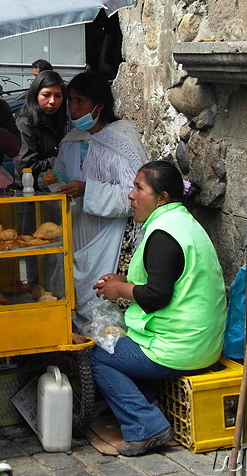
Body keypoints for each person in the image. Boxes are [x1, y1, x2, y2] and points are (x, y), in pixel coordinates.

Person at [90, 160, 227, 457]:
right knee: (122, 344)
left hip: (181, 347)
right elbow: (168, 277)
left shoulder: (163, 233)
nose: (131, 195)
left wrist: (120, 290)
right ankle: (151, 409)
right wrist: (125, 280)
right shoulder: (181, 222)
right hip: (203, 342)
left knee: (98, 355)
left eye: (139, 188)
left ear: (161, 198)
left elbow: (157, 295)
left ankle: (146, 425)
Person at [52, 71, 147, 325]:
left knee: (104, 291)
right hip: (77, 227)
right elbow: (58, 178)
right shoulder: (70, 142)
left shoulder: (122, 140)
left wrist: (88, 190)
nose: (72, 108)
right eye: (70, 100)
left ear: (99, 106)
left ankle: (109, 339)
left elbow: (135, 195)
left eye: (79, 101)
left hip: (111, 235)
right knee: (77, 286)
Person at [14, 70, 68, 186]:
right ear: (35, 95)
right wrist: (60, 161)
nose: (52, 101)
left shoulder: (64, 121)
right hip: (30, 192)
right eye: (46, 95)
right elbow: (26, 167)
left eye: (58, 96)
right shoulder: (25, 123)